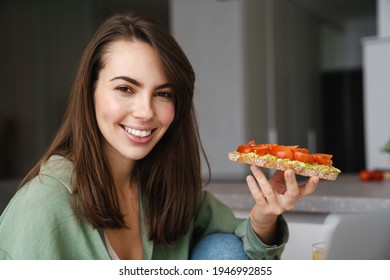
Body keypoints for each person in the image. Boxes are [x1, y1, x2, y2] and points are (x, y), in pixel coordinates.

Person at [0, 11, 319, 260]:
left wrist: (265, 216)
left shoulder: (166, 185)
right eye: (125, 88)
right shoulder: (43, 206)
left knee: (225, 250)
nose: (145, 112)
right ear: (90, 92)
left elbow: (247, 251)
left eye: (163, 94)